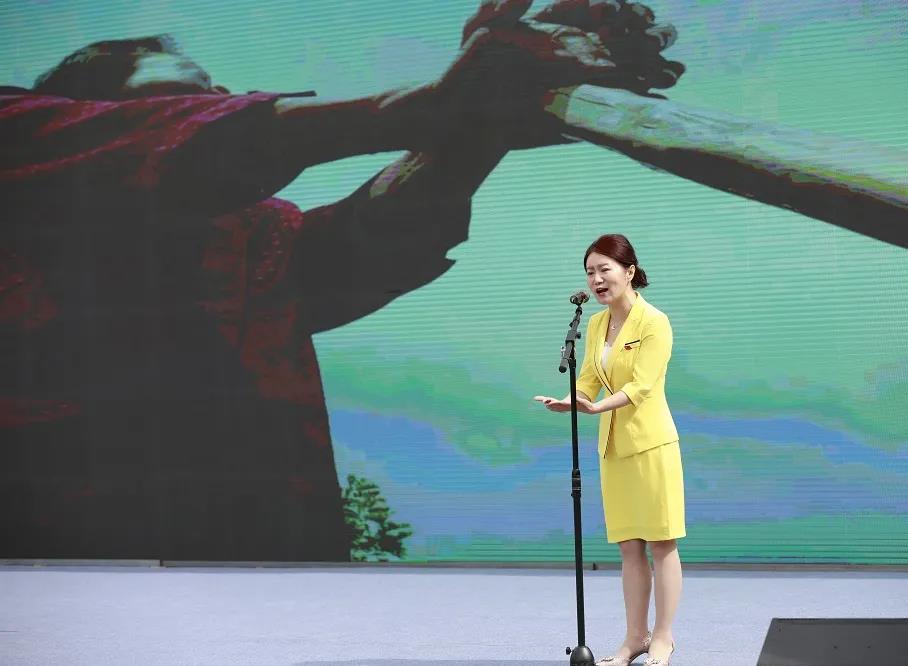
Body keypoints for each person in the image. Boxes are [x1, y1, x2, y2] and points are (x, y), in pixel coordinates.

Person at [1, 2, 684, 560]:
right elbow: (194, 146)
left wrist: (488, 117)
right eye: (178, 99)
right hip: (64, 574)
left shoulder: (250, 236)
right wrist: (436, 104)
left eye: (217, 94)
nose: (216, 104)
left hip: (276, 574)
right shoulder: (20, 145)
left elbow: (371, 238)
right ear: (87, 116)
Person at [534, 233, 684, 665]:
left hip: (652, 445)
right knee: (629, 547)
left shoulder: (654, 322)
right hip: (614, 449)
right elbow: (587, 380)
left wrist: (598, 406)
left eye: (605, 269)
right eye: (590, 272)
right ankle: (634, 638)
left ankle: (663, 637)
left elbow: (642, 386)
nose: (597, 279)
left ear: (629, 271)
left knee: (661, 543)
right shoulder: (597, 324)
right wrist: (571, 401)